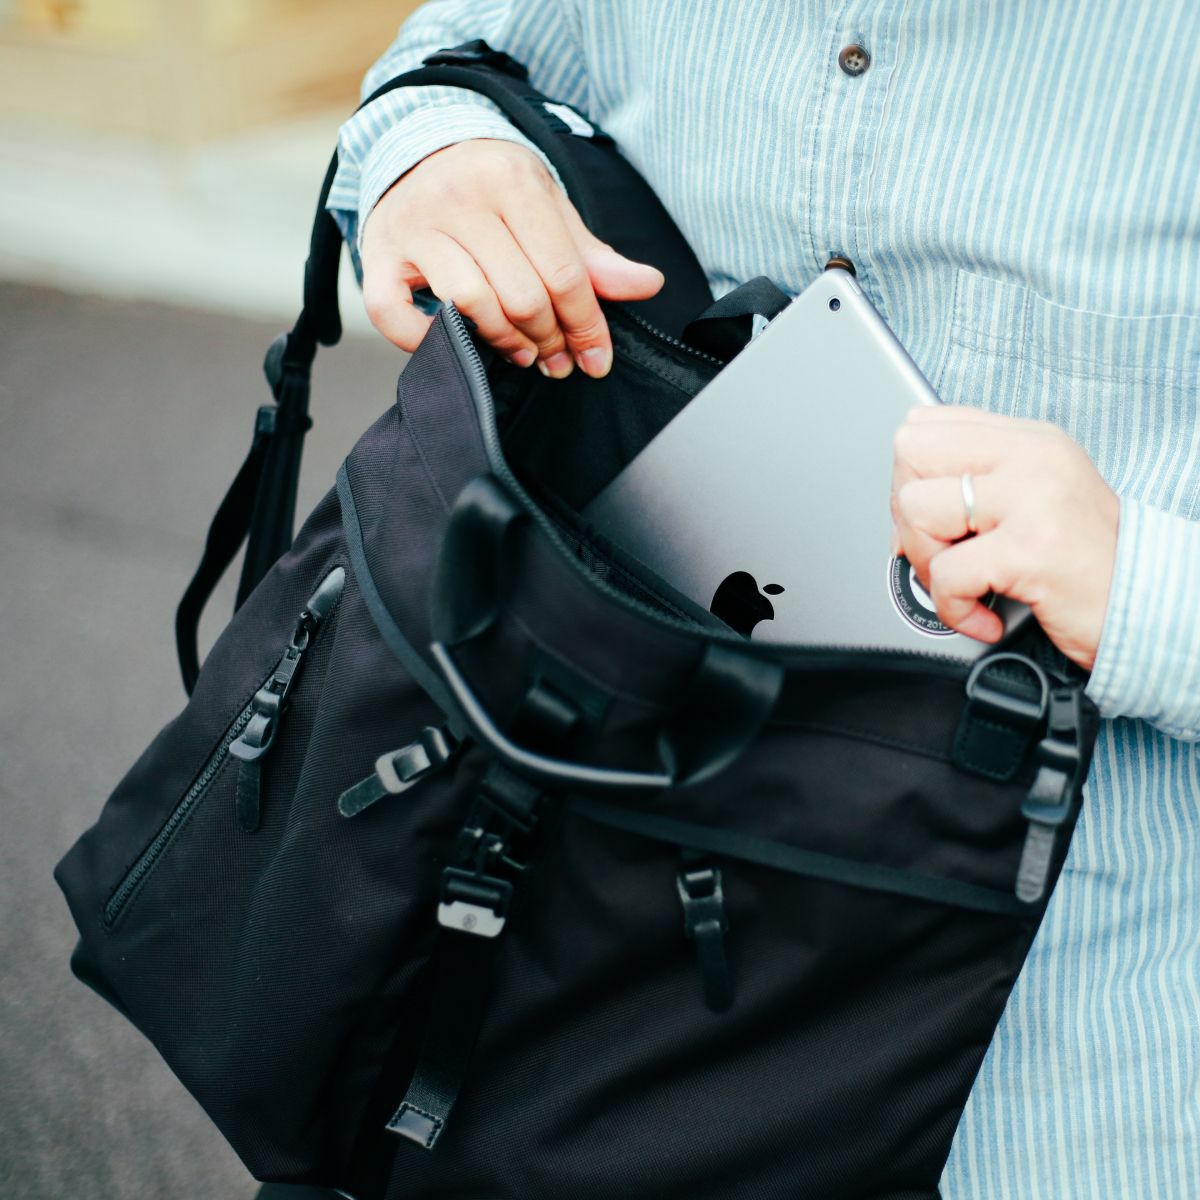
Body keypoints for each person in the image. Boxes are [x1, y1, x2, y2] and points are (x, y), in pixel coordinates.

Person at [324, 3, 1200, 1195]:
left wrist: (1144, 587)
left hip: (1053, 1062)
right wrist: (435, 156)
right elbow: (449, 56)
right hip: (584, 905)